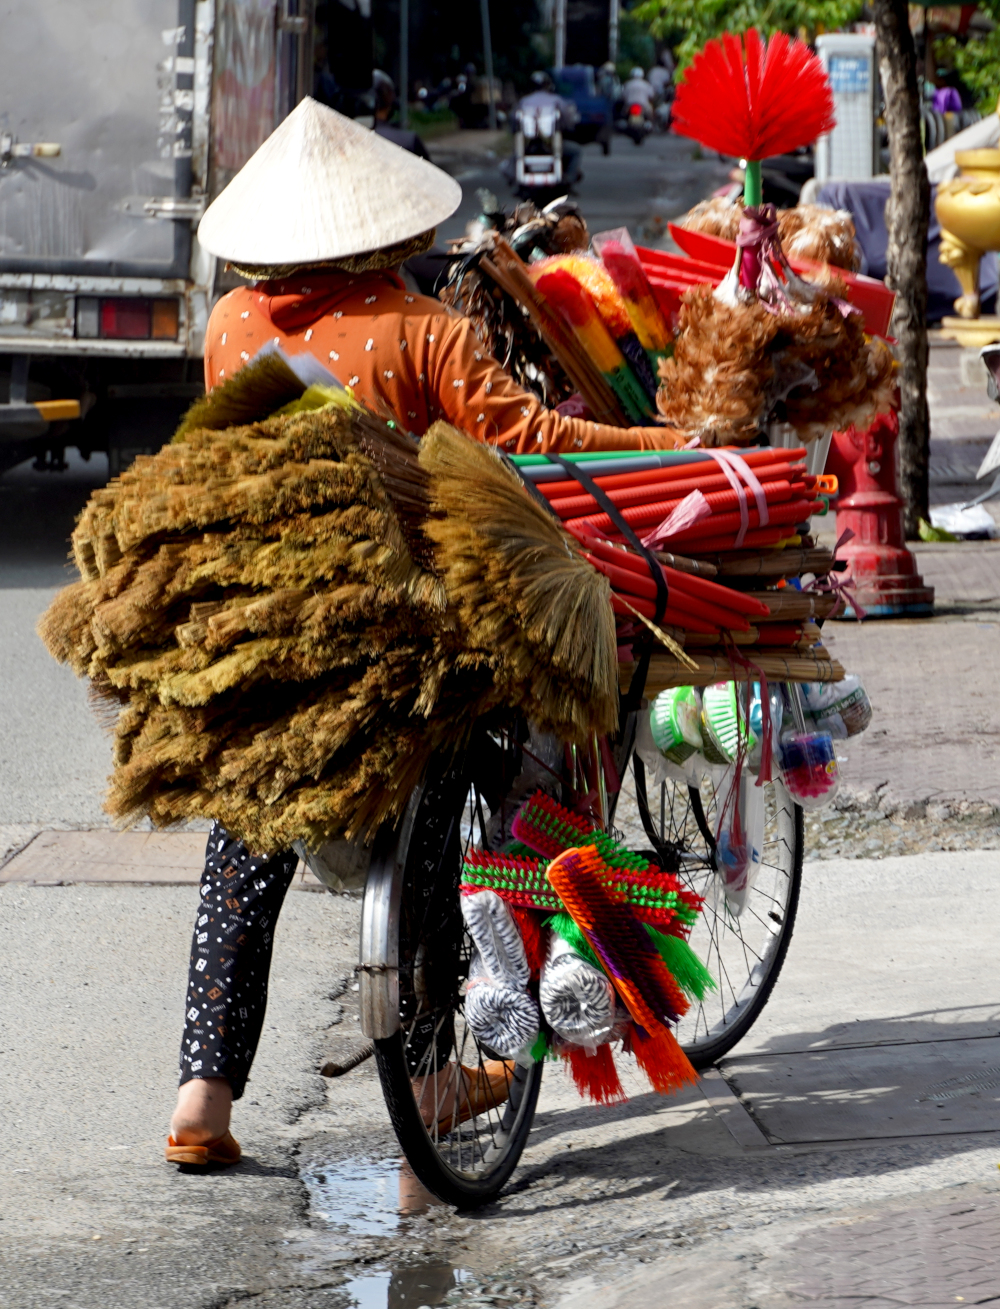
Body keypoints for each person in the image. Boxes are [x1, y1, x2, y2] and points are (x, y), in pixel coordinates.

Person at [166, 98, 683, 1169]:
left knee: (246, 836)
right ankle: (434, 1073)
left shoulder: (229, 326)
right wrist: (659, 441)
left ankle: (202, 1099)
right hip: (405, 634)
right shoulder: (423, 330)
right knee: (445, 808)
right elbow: (531, 440)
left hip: (269, 626)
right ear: (386, 227)